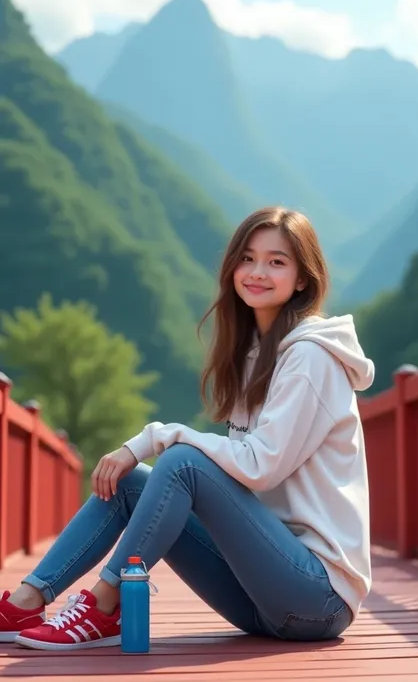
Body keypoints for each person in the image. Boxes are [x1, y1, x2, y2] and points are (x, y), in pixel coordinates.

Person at [0, 206, 374, 651]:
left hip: (317, 598)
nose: (257, 272)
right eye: (247, 258)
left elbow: (260, 468)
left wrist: (154, 437)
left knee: (180, 462)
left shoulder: (312, 357)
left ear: (302, 280)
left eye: (277, 262)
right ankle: (26, 601)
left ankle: (103, 604)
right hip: (259, 593)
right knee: (129, 483)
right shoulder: (255, 353)